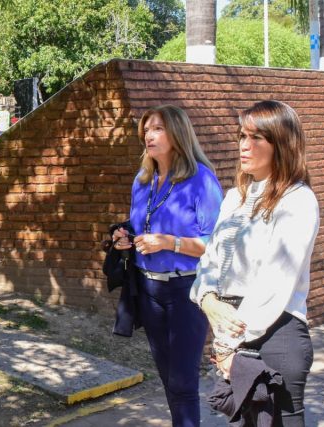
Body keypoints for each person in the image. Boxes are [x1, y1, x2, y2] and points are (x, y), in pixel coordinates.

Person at [191, 100, 319, 427]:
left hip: (276, 334)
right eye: (241, 136)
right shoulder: (236, 198)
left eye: (256, 138)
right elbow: (211, 260)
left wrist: (227, 344)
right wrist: (207, 300)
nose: (244, 146)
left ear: (282, 144)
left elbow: (275, 283)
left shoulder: (297, 200)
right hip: (234, 330)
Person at [111, 105, 223, 427]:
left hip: (186, 290)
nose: (149, 135)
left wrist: (168, 242)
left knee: (183, 381)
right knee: (168, 379)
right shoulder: (142, 180)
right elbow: (140, 226)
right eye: (146, 129)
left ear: (177, 134)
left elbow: (214, 245)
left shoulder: (201, 180)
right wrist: (125, 238)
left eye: (157, 128)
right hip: (149, 289)